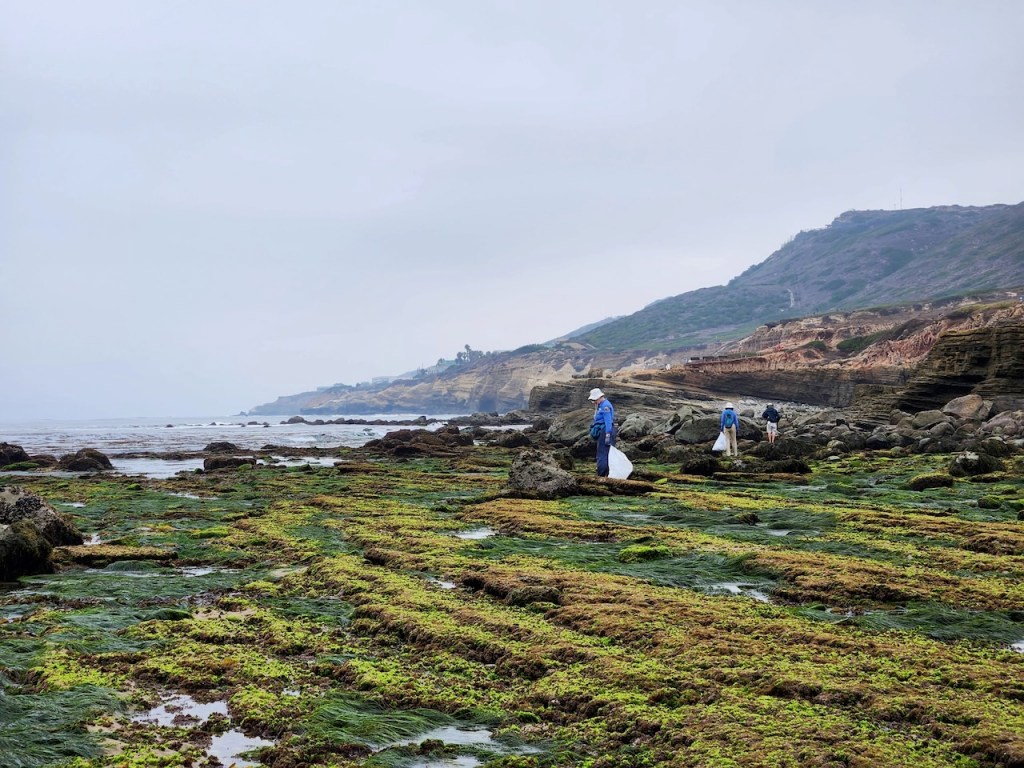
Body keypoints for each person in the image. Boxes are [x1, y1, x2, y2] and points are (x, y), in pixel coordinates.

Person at [588, 388, 616, 477]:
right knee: (606, 453)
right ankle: (606, 474)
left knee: (603, 453)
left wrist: (608, 434)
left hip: (606, 431)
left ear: (600, 397)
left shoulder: (605, 406)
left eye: (594, 400)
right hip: (605, 430)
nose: (594, 402)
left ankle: (601, 474)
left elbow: (608, 421)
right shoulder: (601, 405)